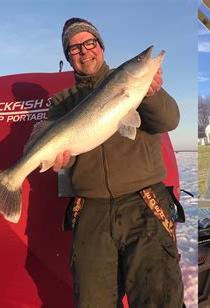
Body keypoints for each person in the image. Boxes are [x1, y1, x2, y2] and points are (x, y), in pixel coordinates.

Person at [48, 18, 184, 307]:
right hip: (90, 211)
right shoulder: (62, 101)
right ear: (68, 56)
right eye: (74, 48)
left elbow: (169, 120)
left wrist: (151, 94)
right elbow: (62, 163)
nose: (84, 51)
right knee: (92, 300)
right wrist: (60, 160)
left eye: (89, 43)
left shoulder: (134, 85)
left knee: (158, 297)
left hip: (143, 203)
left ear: (101, 46)